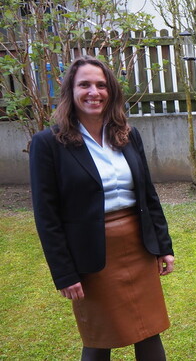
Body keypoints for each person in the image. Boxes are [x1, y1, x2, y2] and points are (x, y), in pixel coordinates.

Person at [29, 56, 175, 360]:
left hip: (138, 246)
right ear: (71, 91)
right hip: (92, 254)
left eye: (100, 85)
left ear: (111, 92)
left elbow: (148, 194)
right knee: (99, 336)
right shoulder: (48, 143)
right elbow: (47, 216)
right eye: (84, 84)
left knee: (149, 329)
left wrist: (163, 246)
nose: (93, 92)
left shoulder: (127, 135)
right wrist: (64, 273)